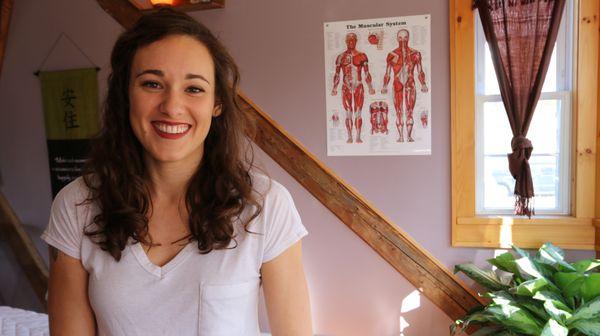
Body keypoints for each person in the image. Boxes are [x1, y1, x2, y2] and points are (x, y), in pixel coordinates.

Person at [41, 8, 312, 336]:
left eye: (194, 88)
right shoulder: (75, 206)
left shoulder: (266, 206)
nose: (171, 106)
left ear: (217, 104)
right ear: (125, 96)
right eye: (152, 84)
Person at [381, 29, 428, 143]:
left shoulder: (415, 54)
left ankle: (409, 136)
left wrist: (423, 84)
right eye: (400, 38)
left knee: (409, 111)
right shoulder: (392, 55)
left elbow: (420, 71)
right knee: (399, 111)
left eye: (405, 37)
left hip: (410, 84)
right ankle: (401, 136)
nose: (403, 40)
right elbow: (388, 73)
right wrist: (385, 86)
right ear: (397, 39)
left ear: (408, 38)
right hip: (397, 83)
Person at [331, 32, 376, 144]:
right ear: (346, 41)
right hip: (346, 87)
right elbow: (337, 74)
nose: (351, 42)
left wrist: (370, 87)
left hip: (358, 87)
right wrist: (334, 88)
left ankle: (358, 137)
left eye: (353, 40)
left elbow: (366, 73)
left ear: (356, 41)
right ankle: (350, 136)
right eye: (349, 40)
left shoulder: (362, 56)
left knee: (358, 112)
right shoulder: (340, 57)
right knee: (348, 112)